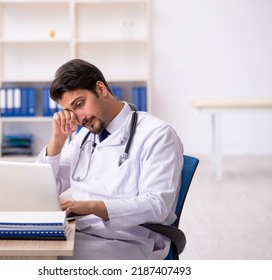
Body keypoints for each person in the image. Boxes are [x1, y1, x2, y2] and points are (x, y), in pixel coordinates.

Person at [36, 59, 184, 259]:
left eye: (79, 104)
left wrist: (90, 207)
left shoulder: (157, 134)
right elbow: (42, 186)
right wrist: (57, 139)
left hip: (125, 242)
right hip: (78, 233)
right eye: (70, 111)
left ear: (100, 88)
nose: (79, 118)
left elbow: (157, 206)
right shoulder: (85, 136)